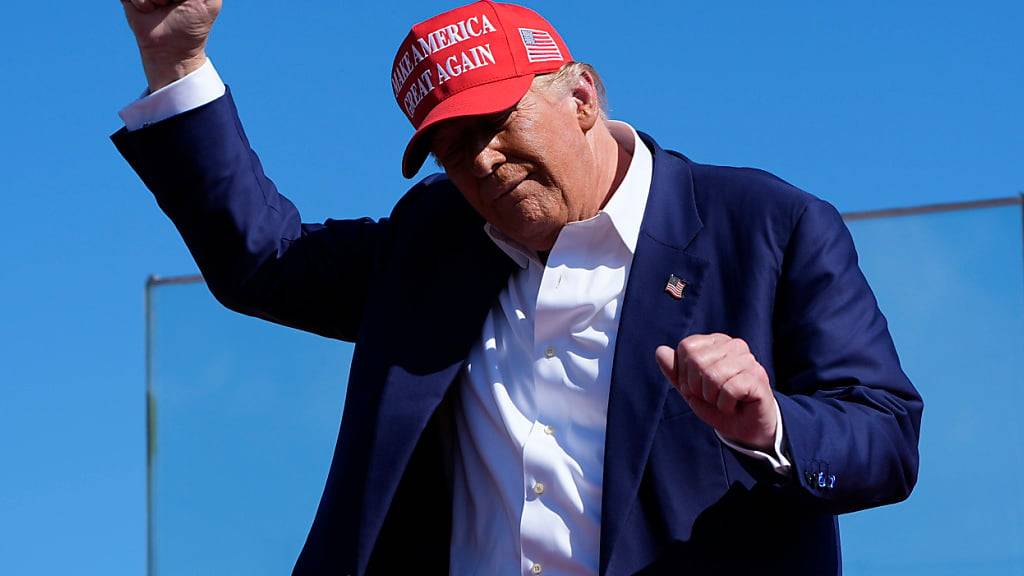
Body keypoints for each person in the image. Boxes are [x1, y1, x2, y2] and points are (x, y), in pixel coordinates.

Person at [114, 1, 923, 574]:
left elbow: (885, 436)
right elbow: (267, 260)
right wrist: (175, 60)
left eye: (496, 125)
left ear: (581, 97)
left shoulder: (768, 226)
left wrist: (772, 422)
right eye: (451, 149)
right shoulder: (436, 245)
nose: (481, 163)